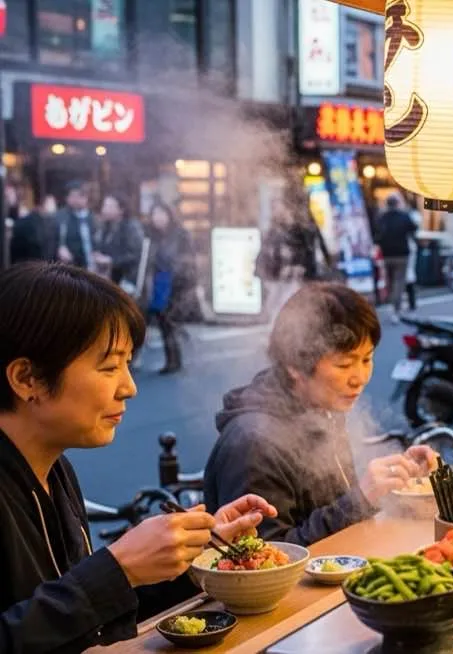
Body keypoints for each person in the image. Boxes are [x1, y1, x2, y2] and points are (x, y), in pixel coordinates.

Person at [0, 262, 277, 653]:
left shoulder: (55, 469)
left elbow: (84, 617)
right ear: (27, 379)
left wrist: (187, 556)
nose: (129, 387)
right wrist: (118, 567)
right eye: (109, 366)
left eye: (127, 364)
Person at [204, 283, 438, 546]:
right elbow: (266, 557)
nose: (360, 378)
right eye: (344, 364)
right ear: (295, 365)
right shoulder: (253, 445)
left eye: (367, 359)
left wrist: (397, 478)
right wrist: (360, 499)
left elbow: (333, 507)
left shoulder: (321, 409)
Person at [144, 203, 196, 375]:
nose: (157, 218)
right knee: (162, 319)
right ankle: (171, 359)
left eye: (160, 213)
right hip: (159, 280)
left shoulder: (180, 234)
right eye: (154, 214)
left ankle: (175, 359)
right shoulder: (151, 236)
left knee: (170, 319)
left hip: (176, 282)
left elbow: (188, 260)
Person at [374, 193, 419, 321]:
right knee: (399, 280)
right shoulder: (404, 216)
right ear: (397, 204)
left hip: (387, 253)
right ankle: (396, 308)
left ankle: (393, 303)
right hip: (402, 253)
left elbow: (376, 234)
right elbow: (414, 228)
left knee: (390, 280)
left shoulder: (382, 217)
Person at [94, 195, 146, 288]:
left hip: (127, 278)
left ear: (121, 210)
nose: (105, 210)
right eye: (104, 206)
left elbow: (135, 255)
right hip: (109, 277)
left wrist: (111, 260)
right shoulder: (105, 226)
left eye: (110, 206)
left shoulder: (131, 227)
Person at [53, 181, 97, 271]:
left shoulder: (92, 218)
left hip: (92, 265)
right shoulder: (60, 217)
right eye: (73, 196)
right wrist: (59, 248)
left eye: (80, 196)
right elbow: (53, 239)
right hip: (70, 266)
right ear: (67, 198)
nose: (76, 200)